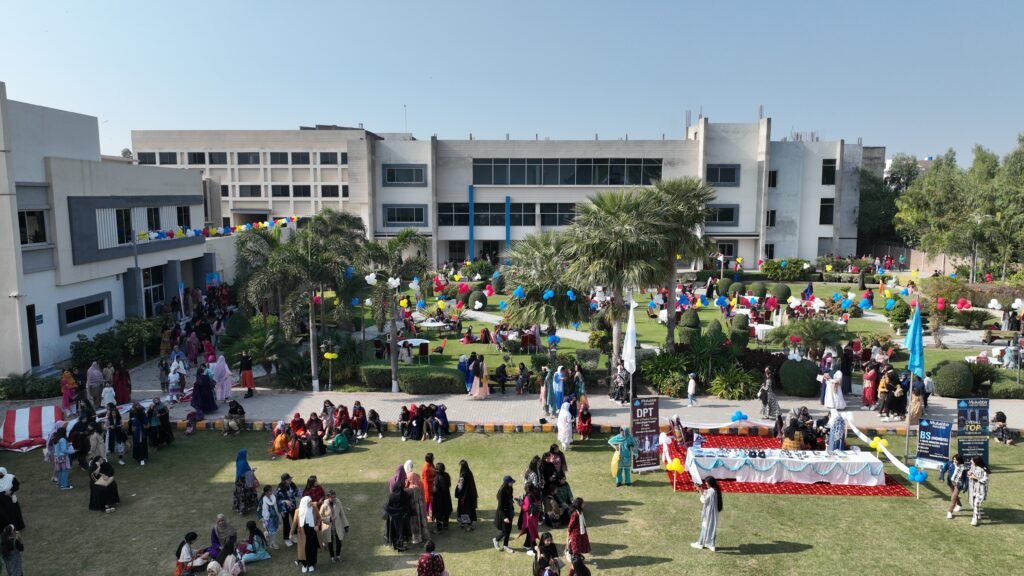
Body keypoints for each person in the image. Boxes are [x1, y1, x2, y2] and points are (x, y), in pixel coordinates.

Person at [690, 476, 722, 552]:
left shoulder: (712, 492)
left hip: (709, 513)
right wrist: (701, 490)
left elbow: (704, 500)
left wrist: (701, 492)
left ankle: (700, 543)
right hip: (714, 513)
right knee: (712, 528)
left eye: (707, 483)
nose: (706, 484)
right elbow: (707, 493)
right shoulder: (715, 490)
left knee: (705, 527)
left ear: (710, 483)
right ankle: (711, 544)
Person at [318, 489, 349, 563]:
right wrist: (329, 519)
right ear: (328, 497)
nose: (334, 498)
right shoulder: (324, 505)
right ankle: (332, 557)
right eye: (332, 497)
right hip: (328, 527)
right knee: (330, 542)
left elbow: (342, 514)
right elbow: (320, 516)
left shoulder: (338, 502)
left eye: (335, 497)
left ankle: (338, 556)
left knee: (339, 541)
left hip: (337, 526)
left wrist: (346, 525)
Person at [293, 496, 321, 572]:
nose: (311, 503)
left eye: (311, 501)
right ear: (304, 503)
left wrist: (317, 525)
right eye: (309, 502)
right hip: (302, 532)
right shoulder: (298, 511)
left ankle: (312, 564)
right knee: (303, 548)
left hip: (312, 531)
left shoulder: (314, 508)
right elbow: (294, 523)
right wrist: (291, 534)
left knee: (312, 547)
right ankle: (304, 564)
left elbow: (319, 518)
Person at [492, 475, 516, 554]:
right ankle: (496, 539)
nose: (512, 483)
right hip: (504, 513)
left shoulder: (510, 488)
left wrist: (512, 502)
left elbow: (510, 497)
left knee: (509, 530)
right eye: (511, 482)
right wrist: (504, 517)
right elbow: (500, 507)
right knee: (505, 531)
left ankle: (506, 546)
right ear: (507, 483)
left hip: (510, 511)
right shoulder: (501, 492)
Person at [384, 483, 410, 552]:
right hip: (402, 517)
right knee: (401, 531)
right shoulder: (405, 495)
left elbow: (388, 505)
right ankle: (400, 546)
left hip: (393, 518)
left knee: (393, 531)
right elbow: (407, 506)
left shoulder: (391, 496)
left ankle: (395, 545)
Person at [406, 471, 430, 544]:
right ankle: (421, 536)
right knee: (420, 522)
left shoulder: (408, 490)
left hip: (412, 509)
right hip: (419, 508)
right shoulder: (418, 488)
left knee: (413, 524)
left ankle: (415, 538)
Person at [232, 449, 259, 515]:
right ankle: (244, 509)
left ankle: (239, 507)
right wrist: (252, 471)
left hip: (239, 482)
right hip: (244, 482)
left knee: (240, 495)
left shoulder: (239, 461)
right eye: (246, 454)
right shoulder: (244, 463)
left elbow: (243, 471)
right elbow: (246, 473)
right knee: (245, 495)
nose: (247, 455)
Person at [276, 473, 300, 547]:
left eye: (290, 479)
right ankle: (286, 538)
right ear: (284, 481)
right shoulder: (279, 489)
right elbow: (278, 501)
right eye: (288, 480)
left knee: (295, 520)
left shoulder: (292, 485)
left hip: (292, 506)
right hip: (284, 509)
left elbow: (295, 493)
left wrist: (299, 494)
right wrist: (285, 501)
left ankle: (294, 535)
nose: (290, 480)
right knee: (286, 523)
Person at [455, 459, 478, 530]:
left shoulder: (463, 475)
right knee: (469, 509)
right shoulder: (469, 472)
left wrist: (458, 493)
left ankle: (466, 525)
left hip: (464, 495)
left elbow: (460, 486)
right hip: (471, 494)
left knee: (464, 509)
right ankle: (468, 524)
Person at [968, 456, 989, 527]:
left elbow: (985, 480)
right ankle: (978, 515)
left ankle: (975, 519)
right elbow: (971, 472)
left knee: (976, 503)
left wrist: (975, 478)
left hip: (981, 490)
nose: (971, 461)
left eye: (972, 460)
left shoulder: (984, 469)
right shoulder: (973, 466)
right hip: (973, 488)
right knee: (974, 503)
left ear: (976, 461)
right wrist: (969, 473)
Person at [432, 462, 454, 531]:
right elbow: (449, 484)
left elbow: (435, 489)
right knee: (446, 510)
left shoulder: (436, 477)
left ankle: (439, 527)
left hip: (439, 498)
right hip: (446, 496)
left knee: (439, 511)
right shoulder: (446, 475)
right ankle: (446, 524)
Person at [946, 454, 968, 520]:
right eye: (954, 459)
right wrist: (941, 477)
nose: (954, 461)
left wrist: (966, 486)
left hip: (958, 484)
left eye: (956, 460)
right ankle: (959, 505)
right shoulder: (950, 463)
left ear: (959, 460)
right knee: (954, 495)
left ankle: (949, 512)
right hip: (951, 482)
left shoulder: (964, 467)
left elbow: (966, 478)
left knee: (953, 497)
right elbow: (944, 469)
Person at [260, 485, 282, 550]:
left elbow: (277, 504)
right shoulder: (262, 500)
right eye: (270, 491)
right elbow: (258, 510)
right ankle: (273, 543)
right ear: (266, 492)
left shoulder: (273, 497)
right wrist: (261, 518)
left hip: (275, 516)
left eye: (271, 490)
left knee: (274, 530)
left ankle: (267, 534)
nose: (271, 492)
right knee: (273, 531)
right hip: (268, 518)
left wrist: (280, 511)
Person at [128, 401, 149, 466]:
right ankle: (139, 457)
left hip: (140, 431)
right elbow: (131, 422)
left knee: (141, 444)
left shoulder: (141, 414)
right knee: (138, 444)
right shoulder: (133, 413)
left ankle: (142, 458)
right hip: (137, 431)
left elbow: (145, 422)